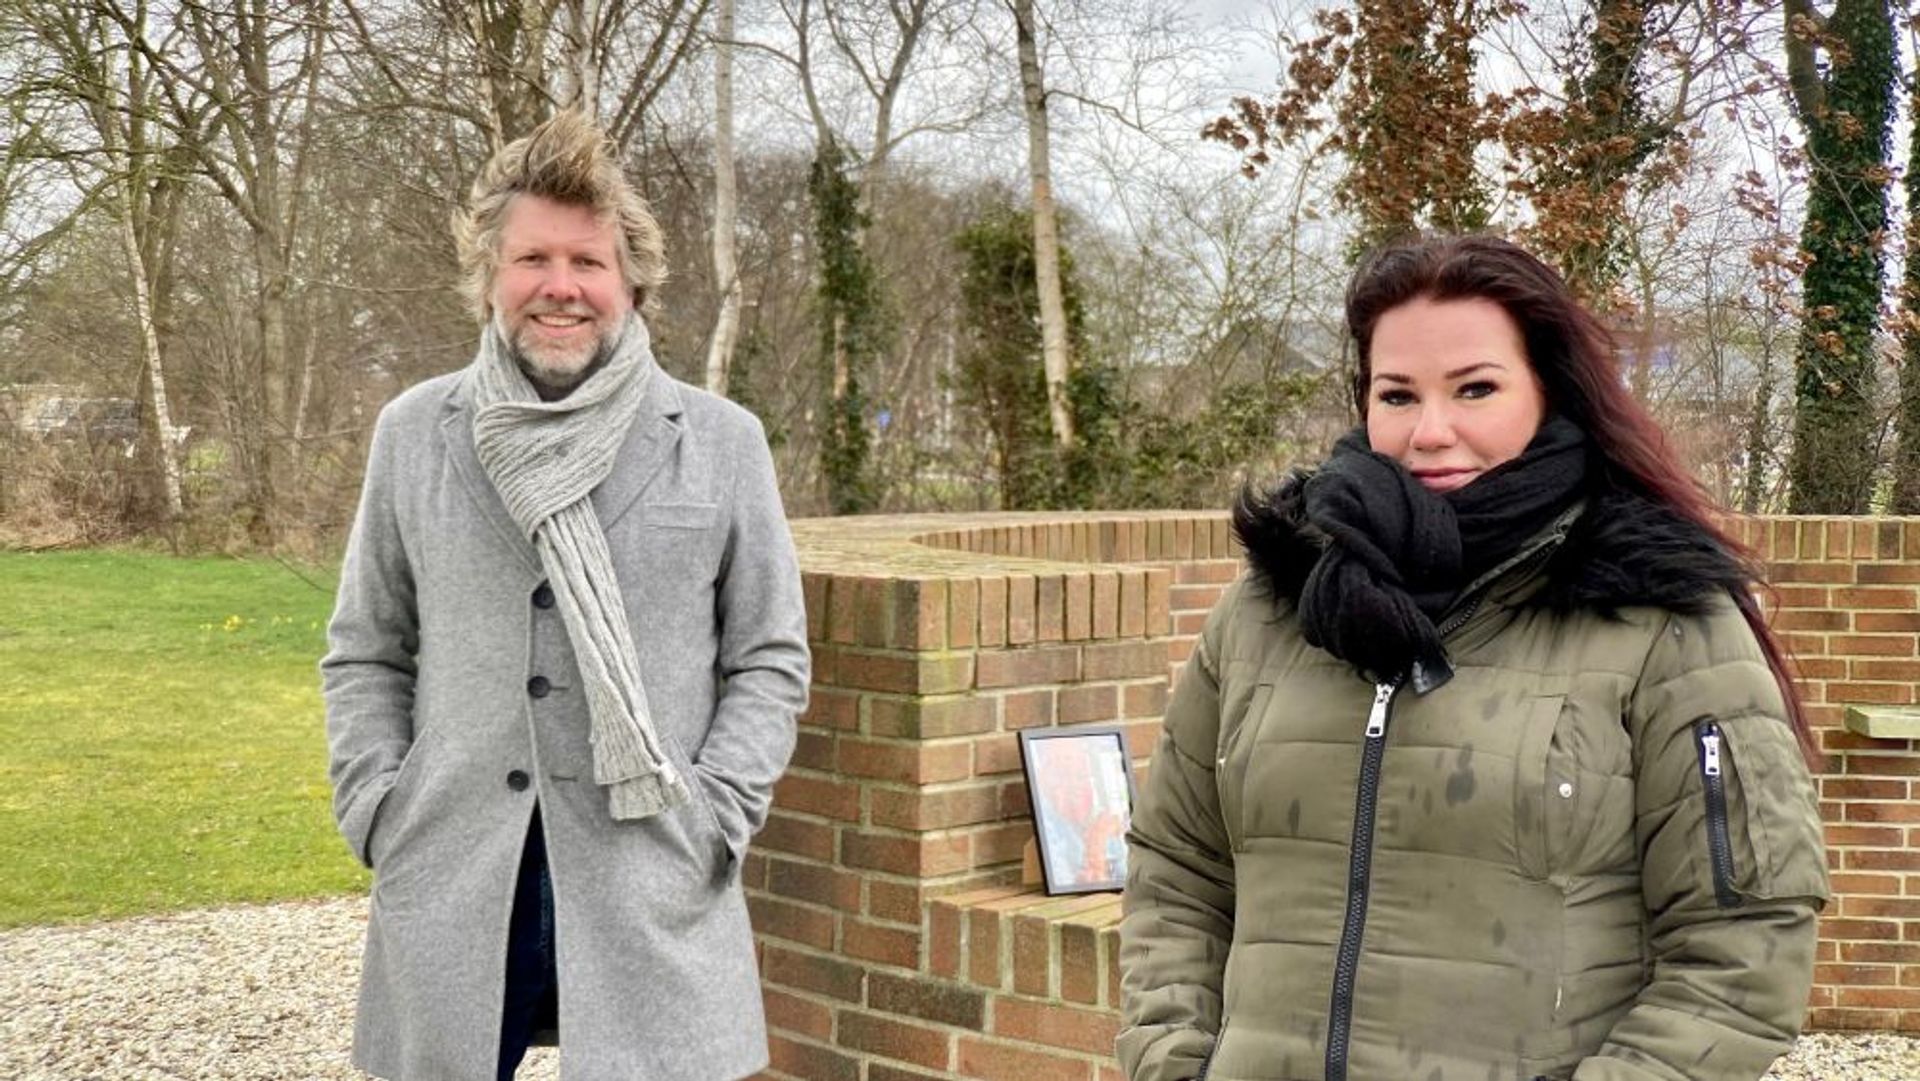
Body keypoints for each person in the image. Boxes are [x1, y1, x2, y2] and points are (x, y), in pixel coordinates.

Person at [1118, 235, 1828, 1081]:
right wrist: (1173, 1061)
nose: (1431, 431)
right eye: (1397, 394)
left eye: (1476, 388)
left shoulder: (1662, 616)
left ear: (1548, 393)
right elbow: (1177, 867)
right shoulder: (1271, 606)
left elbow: (1743, 942)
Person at [322, 109, 810, 1081]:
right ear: (490, 276)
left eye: (586, 262)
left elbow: (769, 656)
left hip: (650, 874)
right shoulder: (417, 432)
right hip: (457, 869)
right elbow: (369, 646)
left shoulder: (718, 441)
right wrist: (378, 804)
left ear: (629, 279)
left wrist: (718, 815)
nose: (560, 286)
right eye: (531, 258)